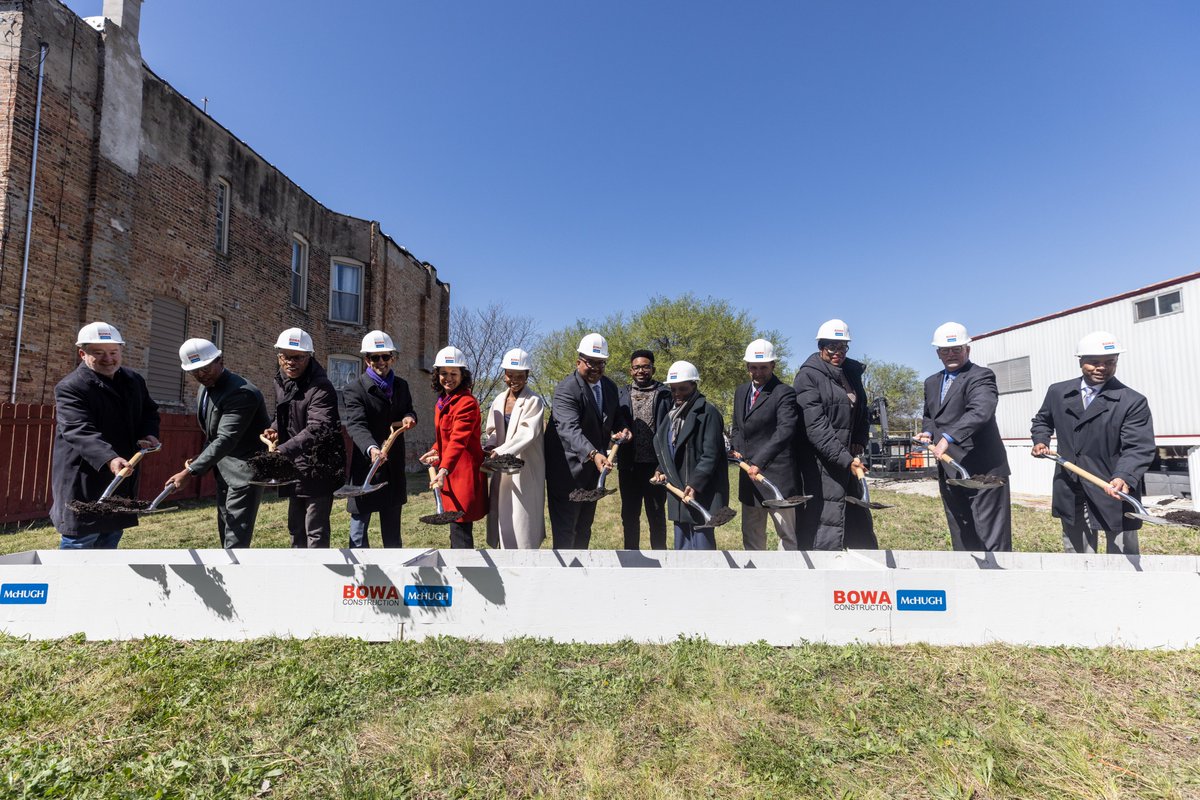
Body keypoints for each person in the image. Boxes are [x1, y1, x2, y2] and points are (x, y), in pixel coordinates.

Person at [1031, 331, 1155, 555]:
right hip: (1070, 482)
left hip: (1111, 485)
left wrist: (1124, 476)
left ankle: (1121, 588)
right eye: (1094, 362)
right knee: (1077, 549)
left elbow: (1138, 447)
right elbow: (1042, 420)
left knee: (1121, 551)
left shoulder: (1131, 401)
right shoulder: (1058, 392)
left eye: (1110, 362)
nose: (1102, 368)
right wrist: (1041, 439)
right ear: (1081, 361)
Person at [50, 322, 160, 549]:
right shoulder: (71, 387)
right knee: (80, 543)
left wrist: (148, 434)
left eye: (113, 352)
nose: (108, 359)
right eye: (98, 353)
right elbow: (78, 430)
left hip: (120, 477)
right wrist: (109, 458)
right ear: (83, 354)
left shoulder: (133, 381)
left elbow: (149, 411)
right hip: (84, 479)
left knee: (110, 541)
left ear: (121, 351)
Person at [916, 323, 1012, 552]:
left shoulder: (980, 376)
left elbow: (981, 411)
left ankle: (997, 581)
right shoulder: (932, 382)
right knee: (960, 526)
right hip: (951, 468)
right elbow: (930, 414)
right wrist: (928, 432)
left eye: (956, 349)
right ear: (937, 352)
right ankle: (965, 576)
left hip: (983, 468)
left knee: (990, 533)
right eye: (945, 350)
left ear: (967, 349)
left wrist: (948, 438)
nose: (950, 354)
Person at [167, 338, 270, 549]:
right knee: (225, 527)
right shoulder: (204, 389)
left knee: (235, 537)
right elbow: (213, 434)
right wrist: (201, 457)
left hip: (244, 472)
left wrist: (190, 472)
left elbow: (226, 438)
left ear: (220, 360)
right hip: (223, 468)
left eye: (205, 369)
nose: (200, 375)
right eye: (194, 371)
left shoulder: (242, 392)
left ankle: (236, 576)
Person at [793, 319, 877, 550]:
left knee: (856, 520)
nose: (838, 353)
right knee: (825, 521)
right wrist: (846, 460)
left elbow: (862, 411)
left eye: (843, 347)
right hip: (821, 464)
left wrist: (859, 439)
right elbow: (816, 427)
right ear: (821, 346)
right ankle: (825, 575)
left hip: (847, 459)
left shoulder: (850, 374)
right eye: (832, 347)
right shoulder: (807, 377)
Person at [543, 333, 630, 549]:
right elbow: (569, 429)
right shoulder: (566, 389)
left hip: (593, 472)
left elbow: (615, 416)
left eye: (601, 363)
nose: (596, 368)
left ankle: (581, 577)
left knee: (584, 528)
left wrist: (623, 429)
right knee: (566, 529)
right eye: (590, 362)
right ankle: (565, 577)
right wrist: (593, 454)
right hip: (567, 472)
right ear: (579, 361)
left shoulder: (609, 387)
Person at [263, 327, 345, 549]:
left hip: (319, 466)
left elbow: (318, 427)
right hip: (295, 465)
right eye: (285, 356)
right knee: (295, 528)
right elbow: (286, 415)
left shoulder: (321, 387)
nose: (290, 362)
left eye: (297, 357)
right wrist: (274, 429)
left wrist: (283, 450)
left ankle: (318, 580)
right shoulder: (282, 381)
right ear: (279, 356)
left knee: (315, 531)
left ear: (309, 356)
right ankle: (298, 578)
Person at [342, 330, 417, 548]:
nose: (381, 362)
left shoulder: (401, 386)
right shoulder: (354, 389)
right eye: (375, 357)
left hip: (393, 467)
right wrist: (372, 449)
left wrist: (409, 417)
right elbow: (356, 424)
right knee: (359, 528)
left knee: (392, 530)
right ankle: (359, 571)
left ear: (392, 357)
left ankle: (393, 571)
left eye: (385, 356)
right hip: (367, 466)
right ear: (367, 359)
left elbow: (409, 410)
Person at [730, 338, 801, 550]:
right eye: (753, 367)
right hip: (749, 476)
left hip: (777, 476)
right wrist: (736, 449)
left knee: (786, 534)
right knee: (752, 534)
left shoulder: (784, 393)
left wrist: (759, 461)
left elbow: (785, 431)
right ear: (747, 367)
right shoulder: (741, 392)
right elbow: (737, 426)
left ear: (773, 366)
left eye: (763, 367)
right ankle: (756, 579)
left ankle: (787, 576)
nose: (758, 372)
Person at [651, 361, 729, 551]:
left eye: (683, 389)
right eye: (674, 389)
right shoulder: (672, 415)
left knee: (702, 544)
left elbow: (711, 454)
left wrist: (695, 484)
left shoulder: (707, 413)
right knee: (682, 544)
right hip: (679, 489)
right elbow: (669, 447)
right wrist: (662, 469)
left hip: (701, 490)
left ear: (694, 385)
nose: (677, 394)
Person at [420, 346, 487, 548]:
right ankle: (458, 567)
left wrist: (443, 469)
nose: (448, 378)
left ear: (462, 375)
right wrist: (436, 450)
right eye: (443, 373)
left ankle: (465, 572)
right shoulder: (443, 401)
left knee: (461, 526)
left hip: (462, 474)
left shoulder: (466, 403)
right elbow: (445, 437)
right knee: (455, 525)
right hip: (449, 472)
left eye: (453, 374)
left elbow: (459, 439)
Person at [483, 348, 546, 549]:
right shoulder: (498, 400)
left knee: (523, 519)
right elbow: (491, 429)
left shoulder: (534, 401)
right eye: (510, 375)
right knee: (504, 516)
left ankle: (526, 562)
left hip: (525, 469)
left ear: (527, 376)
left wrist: (499, 452)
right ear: (504, 375)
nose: (514, 380)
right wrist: (490, 446)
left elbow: (526, 433)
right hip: (501, 468)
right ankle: (505, 560)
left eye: (520, 376)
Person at [615, 349, 671, 550]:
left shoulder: (665, 394)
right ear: (631, 370)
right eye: (637, 367)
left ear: (653, 369)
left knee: (656, 515)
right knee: (629, 515)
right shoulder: (621, 393)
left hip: (655, 466)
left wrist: (663, 465)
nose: (641, 371)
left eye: (646, 366)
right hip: (628, 467)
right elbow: (614, 422)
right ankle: (632, 556)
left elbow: (670, 431)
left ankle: (661, 556)